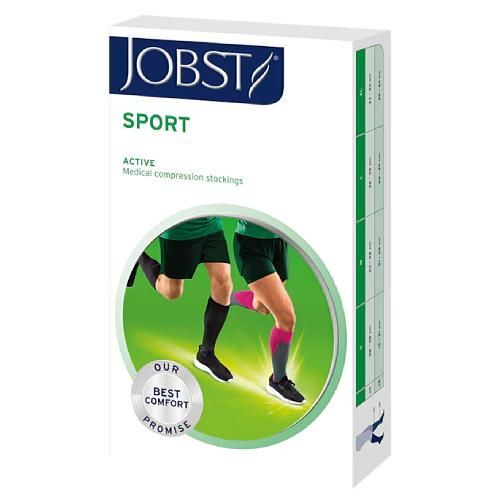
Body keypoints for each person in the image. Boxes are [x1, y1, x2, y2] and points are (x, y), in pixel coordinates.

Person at [128, 217, 233, 382]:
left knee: (224, 283)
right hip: (179, 231)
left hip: (211, 226)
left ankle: (206, 353)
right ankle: (138, 254)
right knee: (172, 292)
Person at [231, 219, 305, 404]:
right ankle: (278, 381)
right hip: (251, 243)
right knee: (286, 318)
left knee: (262, 306)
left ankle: (226, 298)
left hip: (278, 242)